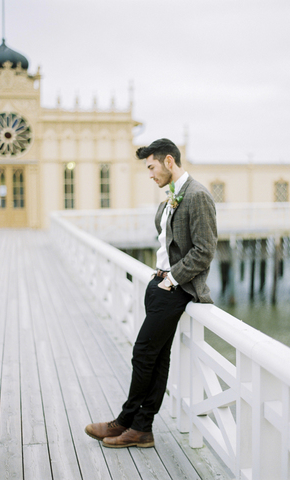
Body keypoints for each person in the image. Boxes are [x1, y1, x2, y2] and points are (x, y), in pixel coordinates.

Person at [85, 138, 217, 448]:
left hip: (176, 289)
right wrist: (159, 279)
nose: (150, 174)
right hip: (159, 285)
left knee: (143, 353)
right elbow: (167, 243)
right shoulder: (171, 197)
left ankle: (126, 421)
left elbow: (204, 250)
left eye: (152, 166)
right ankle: (140, 428)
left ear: (169, 161)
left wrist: (171, 280)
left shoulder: (197, 195)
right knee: (156, 358)